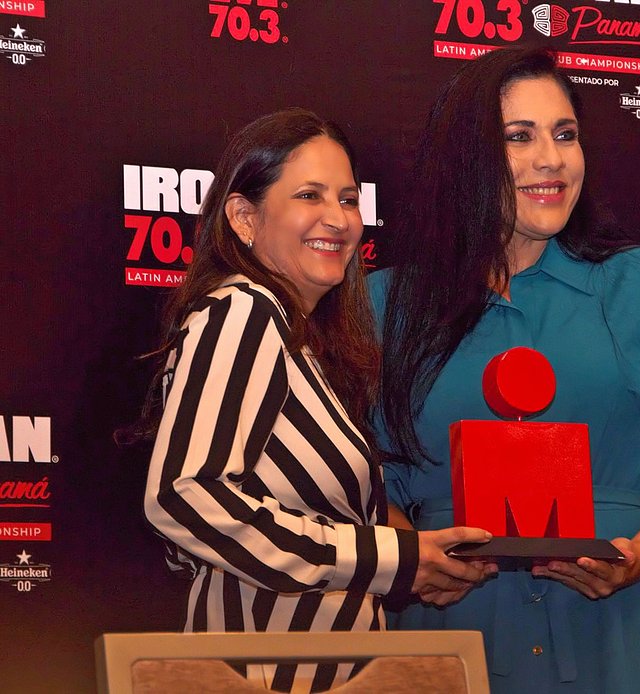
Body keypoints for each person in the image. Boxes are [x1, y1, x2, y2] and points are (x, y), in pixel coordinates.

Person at [369, 48, 640, 693]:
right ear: (465, 156)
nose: (551, 159)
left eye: (565, 134)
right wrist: (410, 554)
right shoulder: (385, 304)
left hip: (629, 631)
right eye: (519, 137)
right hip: (453, 632)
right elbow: (352, 478)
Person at [141, 108, 495, 693]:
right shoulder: (244, 311)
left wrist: (410, 563)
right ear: (244, 217)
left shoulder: (295, 339)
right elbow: (184, 497)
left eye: (349, 199)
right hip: (266, 677)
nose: (338, 218)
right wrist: (386, 559)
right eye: (309, 195)